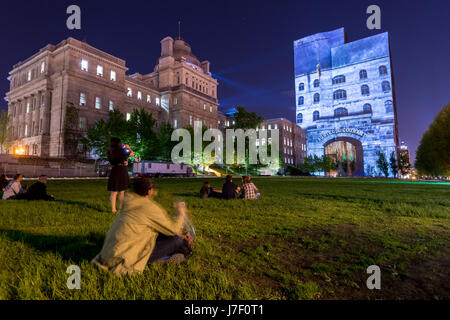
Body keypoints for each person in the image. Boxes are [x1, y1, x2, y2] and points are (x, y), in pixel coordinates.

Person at [91, 177, 193, 276]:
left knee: (161, 234)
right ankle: (161, 260)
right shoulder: (149, 207)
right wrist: (180, 213)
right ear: (149, 191)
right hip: (126, 257)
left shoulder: (129, 202)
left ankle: (162, 257)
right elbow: (174, 230)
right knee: (176, 240)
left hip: (109, 254)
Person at [107, 137, 130, 213]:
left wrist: (124, 161)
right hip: (122, 170)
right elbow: (131, 153)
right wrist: (128, 147)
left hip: (115, 170)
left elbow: (115, 161)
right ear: (119, 143)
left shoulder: (110, 151)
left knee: (114, 192)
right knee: (121, 191)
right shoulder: (122, 151)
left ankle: (113, 209)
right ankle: (120, 209)